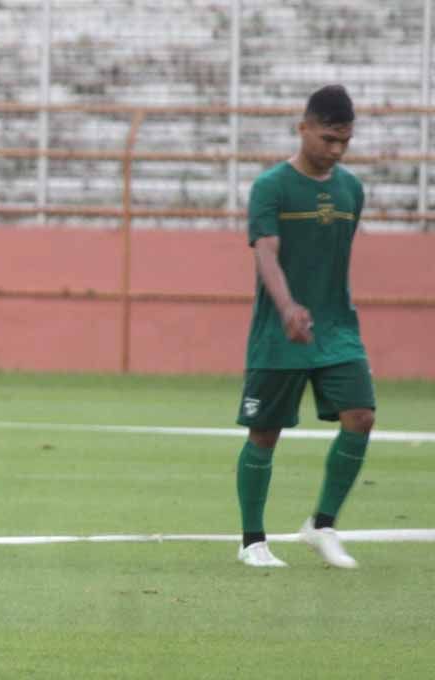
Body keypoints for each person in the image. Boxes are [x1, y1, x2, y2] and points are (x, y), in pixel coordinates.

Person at [234, 84, 374, 570]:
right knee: (264, 434)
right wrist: (289, 306)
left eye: (344, 140)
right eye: (328, 138)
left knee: (361, 417)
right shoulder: (270, 187)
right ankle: (252, 540)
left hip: (337, 329)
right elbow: (266, 253)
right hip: (279, 331)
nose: (335, 149)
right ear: (304, 129)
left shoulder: (352, 190)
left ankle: (322, 524)